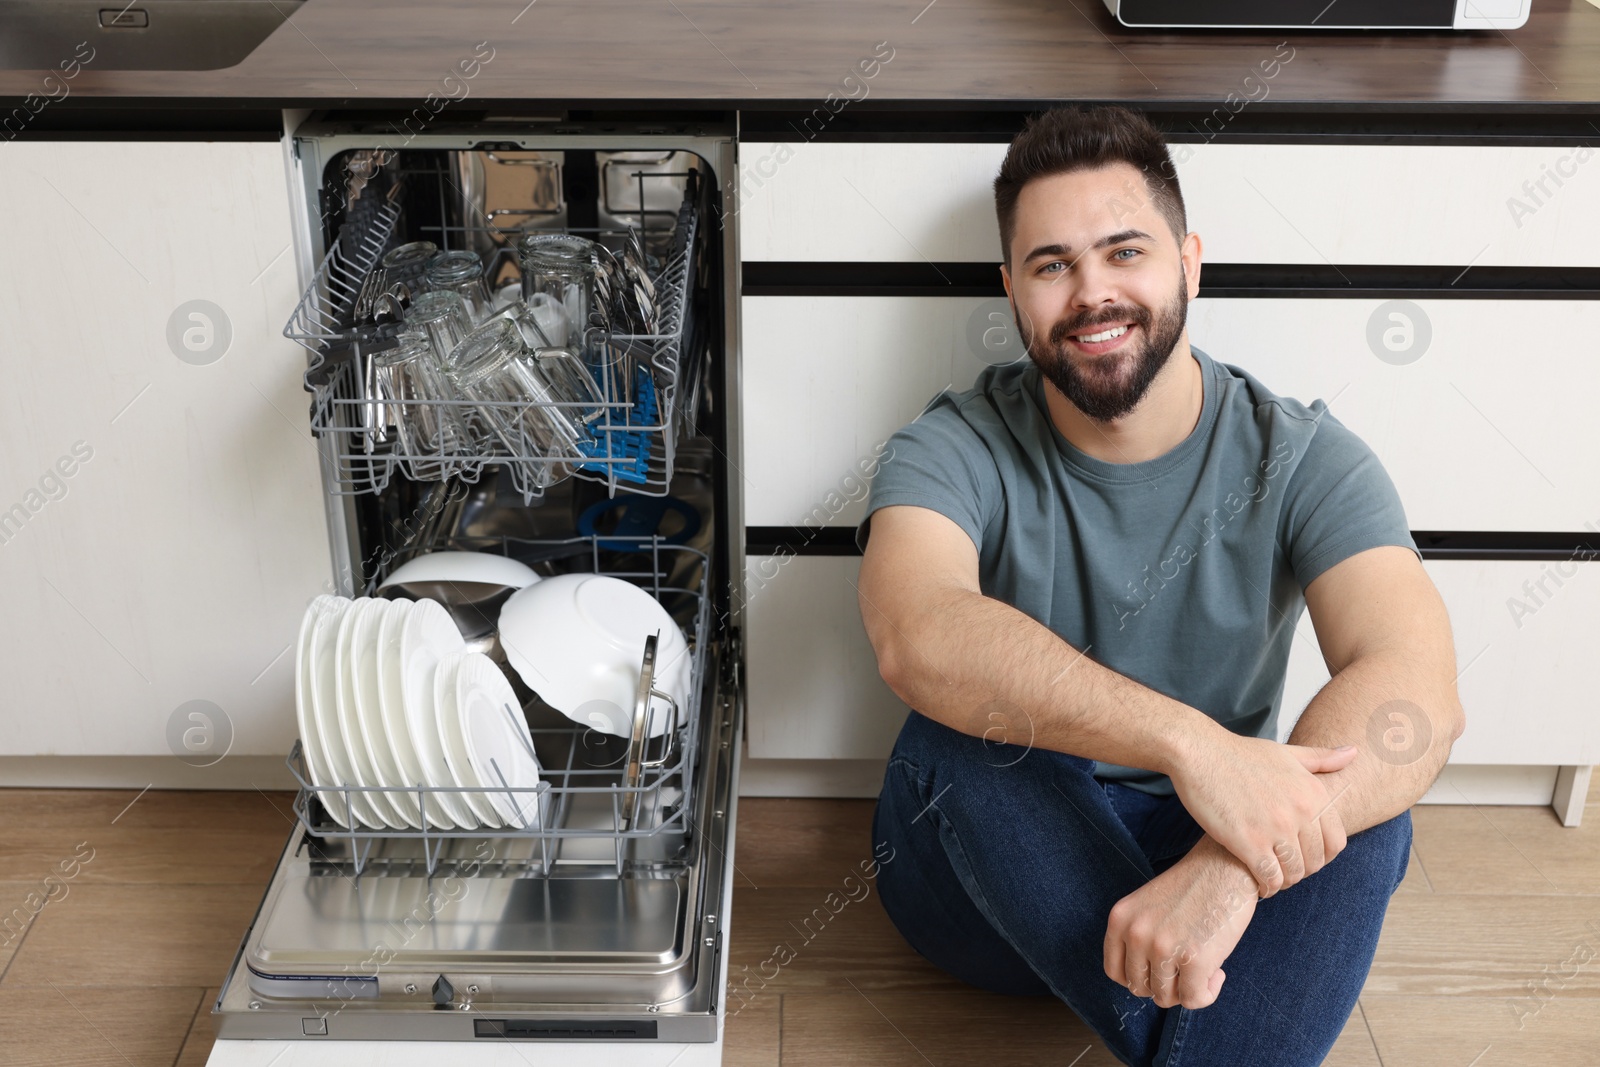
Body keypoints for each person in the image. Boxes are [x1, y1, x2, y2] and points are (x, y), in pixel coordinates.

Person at [854, 104, 1466, 1067]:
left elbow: (1416, 692)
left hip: (1203, 845)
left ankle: (1193, 1006)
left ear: (1187, 260)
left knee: (1361, 795)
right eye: (1053, 265)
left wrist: (1227, 867)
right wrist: (1188, 744)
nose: (1092, 292)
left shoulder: (1306, 456)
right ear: (1012, 289)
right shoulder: (951, 445)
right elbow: (916, 632)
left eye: (1124, 251)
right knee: (953, 744)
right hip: (980, 886)